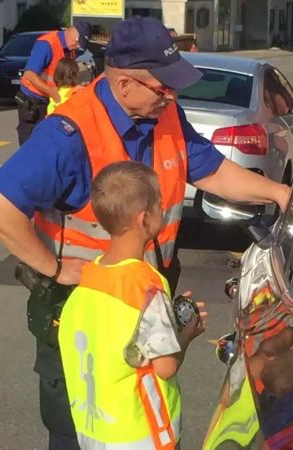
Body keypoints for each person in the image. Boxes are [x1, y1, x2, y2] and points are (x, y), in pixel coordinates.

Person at [0, 16, 291, 450]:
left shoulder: (164, 116)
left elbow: (212, 170)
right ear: (124, 85)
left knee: (139, 410)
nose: (172, 97)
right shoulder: (68, 134)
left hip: (142, 300)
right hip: (82, 309)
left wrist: (279, 193)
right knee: (80, 428)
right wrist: (54, 267)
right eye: (164, 88)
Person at [58, 161, 208, 449]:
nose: (164, 210)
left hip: (95, 433)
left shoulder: (89, 277)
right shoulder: (146, 287)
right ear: (145, 220)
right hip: (143, 436)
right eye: (160, 205)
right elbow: (165, 367)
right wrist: (185, 335)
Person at [16, 22, 92, 145]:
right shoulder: (47, 44)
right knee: (31, 143)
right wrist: (52, 92)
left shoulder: (69, 49)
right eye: (77, 42)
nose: (77, 46)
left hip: (48, 100)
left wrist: (73, 88)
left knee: (46, 142)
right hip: (33, 102)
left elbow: (58, 76)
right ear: (72, 33)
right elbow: (29, 74)